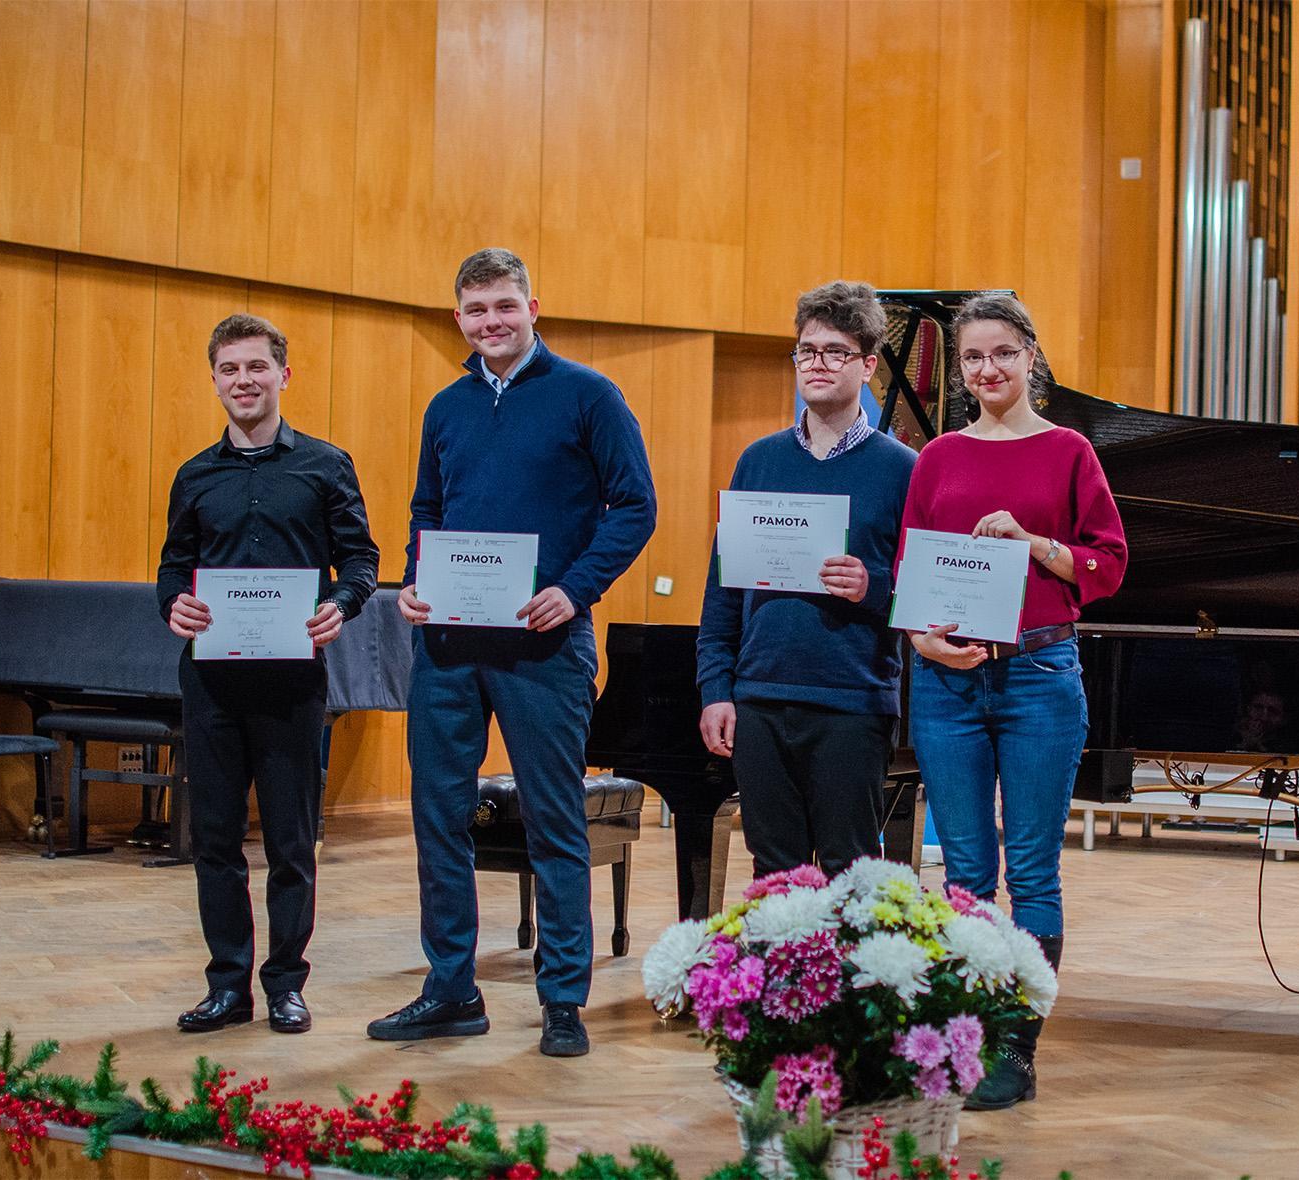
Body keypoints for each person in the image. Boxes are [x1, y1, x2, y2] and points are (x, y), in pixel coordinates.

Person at [374, 248, 656, 1057]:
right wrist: (414, 580)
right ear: (457, 317)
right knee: (437, 819)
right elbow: (429, 506)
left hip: (545, 644)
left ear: (535, 306)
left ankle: (563, 999)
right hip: (450, 646)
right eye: (475, 310)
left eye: (504, 305)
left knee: (555, 822)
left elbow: (635, 505)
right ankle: (451, 991)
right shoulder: (446, 407)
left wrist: (575, 588)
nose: (490, 321)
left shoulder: (589, 396)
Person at [897, 293, 1128, 1109]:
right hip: (946, 685)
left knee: (1031, 870)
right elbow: (910, 572)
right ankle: (966, 1034)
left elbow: (1109, 565)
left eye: (1002, 354)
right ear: (959, 371)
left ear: (1031, 356)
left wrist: (1033, 544)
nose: (987, 370)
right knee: (963, 876)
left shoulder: (1068, 452)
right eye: (971, 359)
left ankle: (1015, 1049)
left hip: (1037, 677)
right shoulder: (936, 458)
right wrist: (924, 641)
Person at [157, 313, 380, 1036]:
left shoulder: (325, 465)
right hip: (212, 683)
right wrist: (175, 605)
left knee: (291, 843)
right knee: (214, 841)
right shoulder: (195, 474)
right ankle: (228, 987)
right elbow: (171, 566)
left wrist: (340, 603)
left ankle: (286, 983)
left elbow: (362, 561)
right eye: (229, 370)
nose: (243, 381)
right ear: (214, 379)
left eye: (256, 367)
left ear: (285, 374)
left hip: (292, 684)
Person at [696, 281, 918, 879]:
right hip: (759, 699)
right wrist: (716, 689)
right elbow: (722, 595)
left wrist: (870, 587)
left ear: (869, 364)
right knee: (773, 872)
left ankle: (852, 979)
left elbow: (925, 598)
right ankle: (781, 979)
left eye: (837, 351)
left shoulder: (903, 469)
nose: (818, 363)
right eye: (807, 349)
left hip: (851, 703)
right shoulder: (758, 460)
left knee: (851, 873)